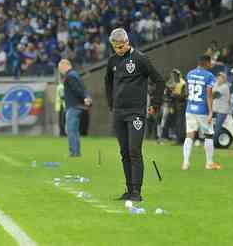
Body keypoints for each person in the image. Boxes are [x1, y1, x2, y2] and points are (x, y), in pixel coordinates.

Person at [105, 28, 164, 202]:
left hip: (136, 112)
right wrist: (111, 103)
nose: (119, 49)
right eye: (116, 47)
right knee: (124, 151)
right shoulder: (112, 61)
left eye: (121, 46)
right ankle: (129, 190)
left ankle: (137, 192)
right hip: (119, 112)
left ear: (127, 42)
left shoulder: (140, 59)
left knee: (134, 150)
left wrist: (155, 104)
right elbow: (107, 81)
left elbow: (159, 80)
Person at [182, 55, 221, 170]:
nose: (211, 64)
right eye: (210, 62)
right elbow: (209, 95)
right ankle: (209, 163)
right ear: (207, 63)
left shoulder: (189, 74)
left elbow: (187, 91)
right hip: (202, 110)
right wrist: (210, 112)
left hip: (190, 108)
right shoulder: (209, 76)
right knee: (209, 135)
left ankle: (185, 163)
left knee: (189, 135)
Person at [58, 59, 92, 157]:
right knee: (74, 130)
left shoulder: (70, 76)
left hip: (73, 106)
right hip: (77, 106)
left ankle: (74, 152)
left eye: (60, 68)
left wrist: (85, 98)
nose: (60, 70)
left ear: (65, 65)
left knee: (71, 129)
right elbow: (80, 88)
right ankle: (76, 151)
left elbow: (77, 89)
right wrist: (86, 97)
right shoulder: (75, 74)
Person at [212, 72, 230, 146]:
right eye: (218, 77)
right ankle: (211, 142)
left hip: (222, 111)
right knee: (211, 126)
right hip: (215, 109)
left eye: (221, 77)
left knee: (217, 127)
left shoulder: (225, 87)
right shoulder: (216, 84)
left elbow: (215, 95)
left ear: (224, 79)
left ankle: (214, 143)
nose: (219, 78)